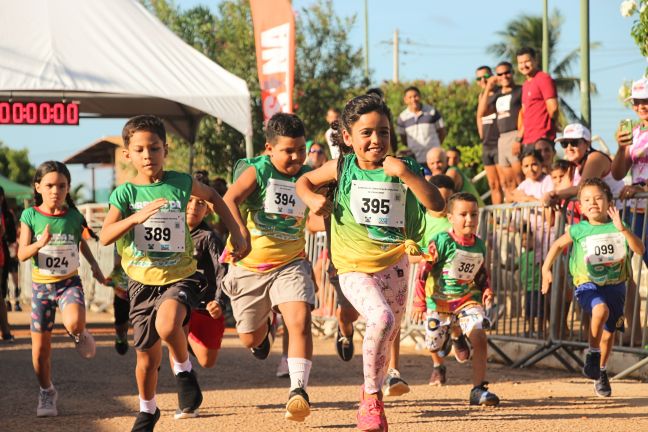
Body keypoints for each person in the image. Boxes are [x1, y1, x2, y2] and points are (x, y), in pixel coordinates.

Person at [297, 93, 444, 432]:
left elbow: (436, 204)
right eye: (366, 133)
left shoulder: (403, 168)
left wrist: (407, 174)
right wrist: (310, 197)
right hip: (351, 266)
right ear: (348, 138)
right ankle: (372, 400)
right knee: (382, 317)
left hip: (394, 264)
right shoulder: (341, 166)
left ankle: (369, 391)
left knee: (387, 328)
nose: (376, 139)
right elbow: (304, 181)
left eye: (383, 132)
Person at [100, 115, 248, 430]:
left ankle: (183, 370)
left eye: (154, 148)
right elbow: (105, 235)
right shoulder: (124, 194)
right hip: (141, 282)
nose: (147, 156)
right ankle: (148, 409)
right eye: (139, 150)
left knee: (168, 325)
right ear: (127, 154)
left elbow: (214, 198)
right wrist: (135, 218)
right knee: (146, 360)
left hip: (180, 276)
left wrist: (238, 232)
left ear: (165, 149)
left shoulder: (179, 182)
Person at [221, 112, 316, 423]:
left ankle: (298, 390)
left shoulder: (308, 175)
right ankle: (263, 337)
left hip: (290, 262)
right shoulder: (257, 171)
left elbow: (312, 220)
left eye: (301, 149)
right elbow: (228, 199)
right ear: (269, 148)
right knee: (249, 338)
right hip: (251, 265)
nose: (296, 157)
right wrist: (240, 232)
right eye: (288, 150)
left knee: (299, 319)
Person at [542, 178, 645, 397]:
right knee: (600, 310)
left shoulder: (618, 225)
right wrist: (545, 270)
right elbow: (557, 245)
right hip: (587, 284)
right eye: (587, 199)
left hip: (616, 286)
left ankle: (601, 371)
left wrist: (624, 231)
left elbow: (640, 249)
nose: (593, 203)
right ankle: (593, 353)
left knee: (609, 334)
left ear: (609, 202)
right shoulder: (579, 229)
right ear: (580, 206)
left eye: (598, 198)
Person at [18, 161, 105, 417]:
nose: (55, 190)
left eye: (61, 185)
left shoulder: (74, 216)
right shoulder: (30, 216)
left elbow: (81, 243)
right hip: (42, 288)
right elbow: (22, 253)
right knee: (39, 353)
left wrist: (96, 266)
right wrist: (39, 243)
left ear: (68, 188)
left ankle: (78, 335)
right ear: (38, 187)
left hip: (69, 283)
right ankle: (47, 391)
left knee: (75, 323)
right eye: (49, 185)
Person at [412, 192, 499, 406]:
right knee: (434, 344)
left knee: (479, 335)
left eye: (474, 214)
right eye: (463, 214)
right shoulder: (441, 241)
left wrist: (487, 289)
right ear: (450, 217)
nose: (469, 219)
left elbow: (480, 273)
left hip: (468, 300)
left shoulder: (479, 244)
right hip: (439, 303)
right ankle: (453, 335)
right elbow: (424, 269)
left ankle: (478, 390)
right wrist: (419, 301)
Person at [411, 175, 471, 386]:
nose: (441, 205)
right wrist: (430, 256)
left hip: (457, 284)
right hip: (432, 286)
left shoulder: (456, 219)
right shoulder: (422, 220)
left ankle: (457, 336)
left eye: (446, 201)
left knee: (454, 318)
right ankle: (438, 365)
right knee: (433, 335)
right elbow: (411, 254)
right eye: (437, 199)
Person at [612, 77, 648, 265]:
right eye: (637, 101)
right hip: (636, 208)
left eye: (645, 100)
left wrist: (642, 188)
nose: (641, 106)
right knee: (621, 266)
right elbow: (618, 174)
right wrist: (620, 148)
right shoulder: (635, 131)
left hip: (641, 198)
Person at [544, 124, 625, 208]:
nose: (569, 148)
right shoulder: (573, 166)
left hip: (620, 214)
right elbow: (561, 189)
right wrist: (552, 195)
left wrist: (554, 194)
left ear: (587, 144)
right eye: (564, 143)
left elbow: (582, 188)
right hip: (603, 215)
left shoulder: (596, 158)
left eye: (574, 143)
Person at [490, 61, 524, 191]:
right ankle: (512, 210)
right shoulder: (496, 94)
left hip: (515, 135)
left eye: (507, 72)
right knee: (508, 182)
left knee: (520, 178)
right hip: (501, 138)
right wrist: (489, 85)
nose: (504, 76)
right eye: (500, 74)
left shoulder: (520, 90)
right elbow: (481, 111)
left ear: (512, 73)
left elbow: (527, 115)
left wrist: (518, 139)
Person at [517, 47, 558, 152]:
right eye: (520, 63)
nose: (524, 65)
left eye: (527, 61)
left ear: (535, 60)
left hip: (542, 138)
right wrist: (518, 139)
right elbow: (525, 114)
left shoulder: (543, 78)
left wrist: (548, 128)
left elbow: (553, 108)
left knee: (543, 168)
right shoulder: (526, 85)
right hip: (528, 139)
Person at [396, 86, 446, 168]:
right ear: (405, 100)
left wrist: (434, 147)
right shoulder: (402, 117)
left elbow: (442, 132)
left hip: (433, 161)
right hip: (415, 159)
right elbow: (403, 138)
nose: (413, 99)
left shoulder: (432, 112)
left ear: (420, 97)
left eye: (415, 96)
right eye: (410, 97)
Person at [475, 65, 504, 203]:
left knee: (504, 182)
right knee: (493, 184)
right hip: (487, 144)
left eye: (486, 77)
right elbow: (479, 115)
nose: (483, 80)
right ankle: (498, 218)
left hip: (499, 141)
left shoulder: (501, 93)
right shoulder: (482, 96)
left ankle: (509, 217)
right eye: (479, 78)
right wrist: (481, 135)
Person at [105, 248, 130, 355]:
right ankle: (121, 336)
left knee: (144, 322)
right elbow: (117, 264)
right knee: (120, 323)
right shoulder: (118, 268)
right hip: (123, 291)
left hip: (142, 285)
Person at [0, 187, 19, 311]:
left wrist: (13, 244)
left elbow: (13, 233)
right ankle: (6, 300)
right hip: (4, 248)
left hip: (7, 249)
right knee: (4, 279)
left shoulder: (8, 214)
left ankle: (15, 301)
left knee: (12, 276)